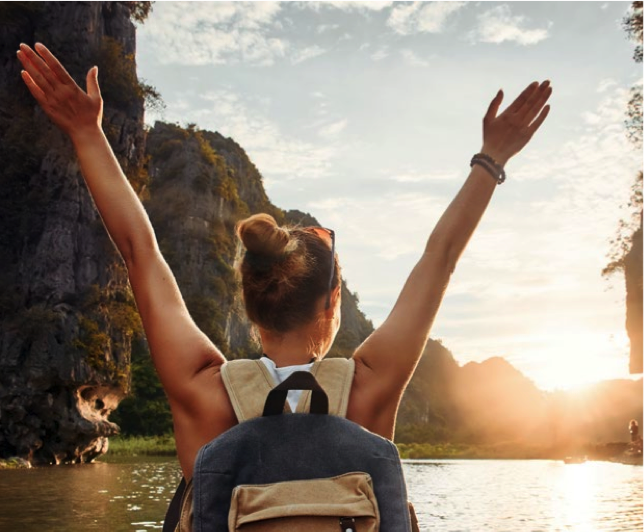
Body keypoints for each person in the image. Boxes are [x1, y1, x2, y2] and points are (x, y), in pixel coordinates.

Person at [16, 42, 551, 480]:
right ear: (332, 302)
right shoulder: (367, 385)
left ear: (248, 303)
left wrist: (86, 132)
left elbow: (140, 250)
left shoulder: (204, 387)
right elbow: (440, 258)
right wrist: (491, 160)